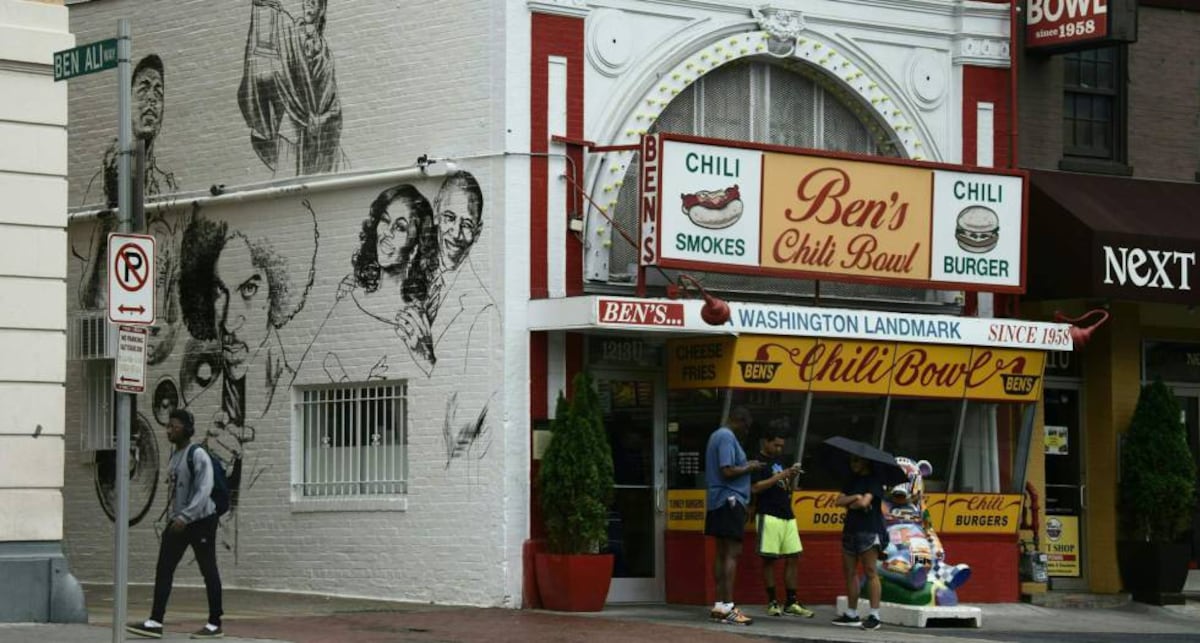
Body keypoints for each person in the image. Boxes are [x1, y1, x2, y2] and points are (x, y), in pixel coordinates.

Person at [126, 409, 224, 639]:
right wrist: (173, 517)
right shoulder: (175, 455)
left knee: (208, 569)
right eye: (168, 426)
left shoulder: (198, 454)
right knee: (164, 568)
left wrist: (185, 516)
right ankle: (155, 621)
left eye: (174, 426)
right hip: (178, 521)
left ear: (187, 430)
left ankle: (214, 623)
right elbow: (175, 492)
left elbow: (204, 490)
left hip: (200, 521)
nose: (169, 430)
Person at [238, 0, 344, 175]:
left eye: (314, 2)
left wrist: (321, 119)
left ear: (322, 8)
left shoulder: (326, 54)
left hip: (315, 135)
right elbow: (274, 27)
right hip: (292, 131)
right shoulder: (292, 34)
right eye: (306, 1)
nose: (308, 4)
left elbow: (333, 101)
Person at [704, 406, 762, 626]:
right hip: (731, 500)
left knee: (721, 552)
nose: (745, 432)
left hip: (717, 500)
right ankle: (728, 606)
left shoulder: (715, 436)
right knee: (732, 552)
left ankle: (719, 605)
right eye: (746, 427)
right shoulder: (727, 437)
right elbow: (727, 470)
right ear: (740, 421)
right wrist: (750, 466)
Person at [750, 419, 814, 618]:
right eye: (776, 445)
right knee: (769, 560)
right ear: (765, 442)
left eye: (781, 446)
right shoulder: (757, 461)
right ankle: (772, 601)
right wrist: (781, 475)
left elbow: (785, 486)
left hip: (787, 513)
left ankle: (791, 602)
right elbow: (755, 487)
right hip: (768, 514)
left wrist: (791, 476)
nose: (779, 449)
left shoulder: (781, 461)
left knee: (793, 557)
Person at [833, 454, 886, 630]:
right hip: (850, 530)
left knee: (870, 572)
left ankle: (874, 615)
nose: (853, 464)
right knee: (849, 572)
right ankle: (852, 613)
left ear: (865, 461)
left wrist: (855, 501)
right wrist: (855, 497)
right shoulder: (851, 481)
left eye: (856, 460)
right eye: (851, 460)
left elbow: (865, 503)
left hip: (869, 531)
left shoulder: (874, 481)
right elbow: (838, 501)